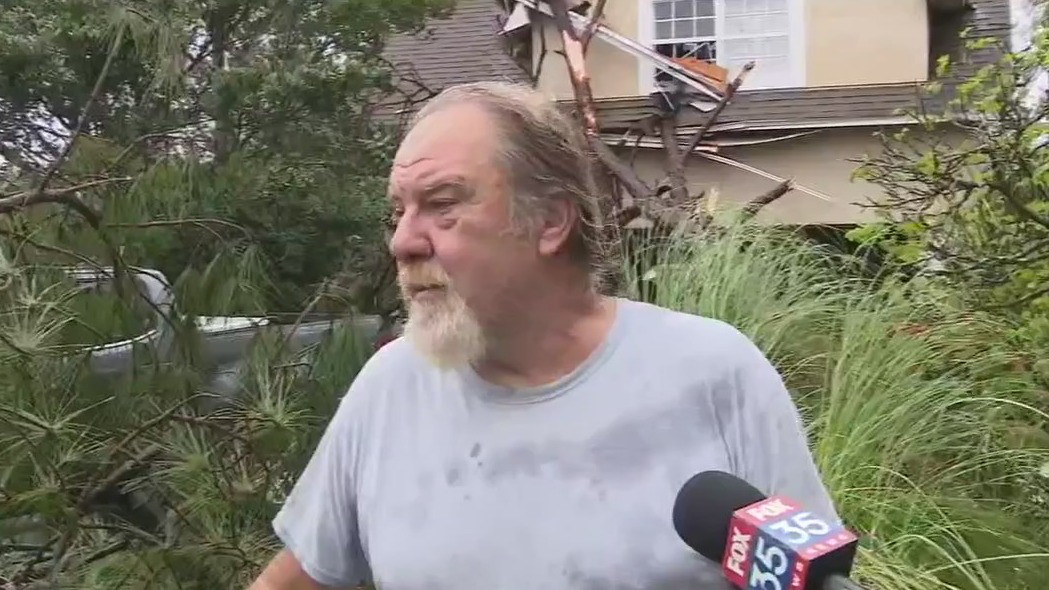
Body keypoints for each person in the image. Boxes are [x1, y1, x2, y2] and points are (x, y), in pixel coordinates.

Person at [248, 81, 838, 590]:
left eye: (442, 204)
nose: (403, 241)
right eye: (399, 211)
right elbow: (300, 575)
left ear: (550, 220)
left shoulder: (713, 371)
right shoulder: (391, 386)